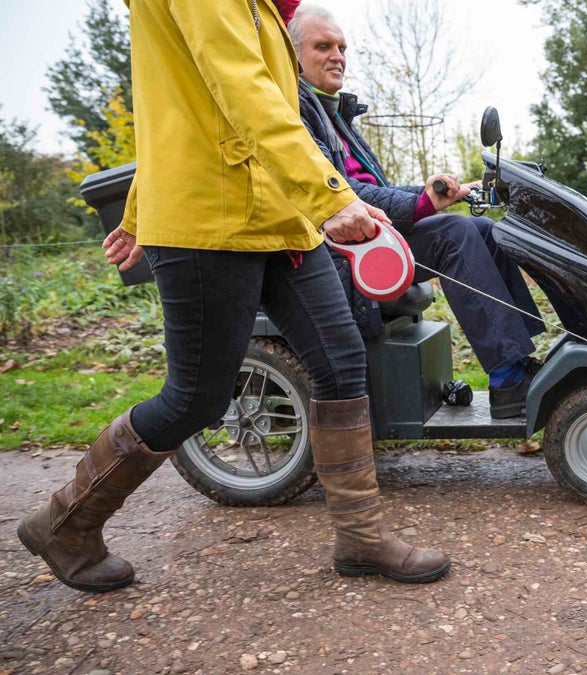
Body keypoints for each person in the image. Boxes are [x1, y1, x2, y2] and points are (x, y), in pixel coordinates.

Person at [17, 0, 450, 593]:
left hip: (280, 216)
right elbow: (239, 94)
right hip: (212, 219)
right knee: (197, 397)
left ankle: (361, 536)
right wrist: (331, 197)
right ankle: (65, 524)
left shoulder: (266, 10)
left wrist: (327, 199)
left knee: (341, 361)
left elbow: (195, 106)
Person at [288, 6, 545, 419]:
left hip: (365, 239)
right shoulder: (295, 113)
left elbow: (376, 193)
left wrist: (447, 194)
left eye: (342, 47)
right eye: (323, 46)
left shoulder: (335, 115)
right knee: (453, 234)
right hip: (335, 252)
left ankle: (519, 358)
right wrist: (422, 204)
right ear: (292, 54)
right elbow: (339, 194)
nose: (338, 55)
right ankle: (507, 379)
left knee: (481, 228)